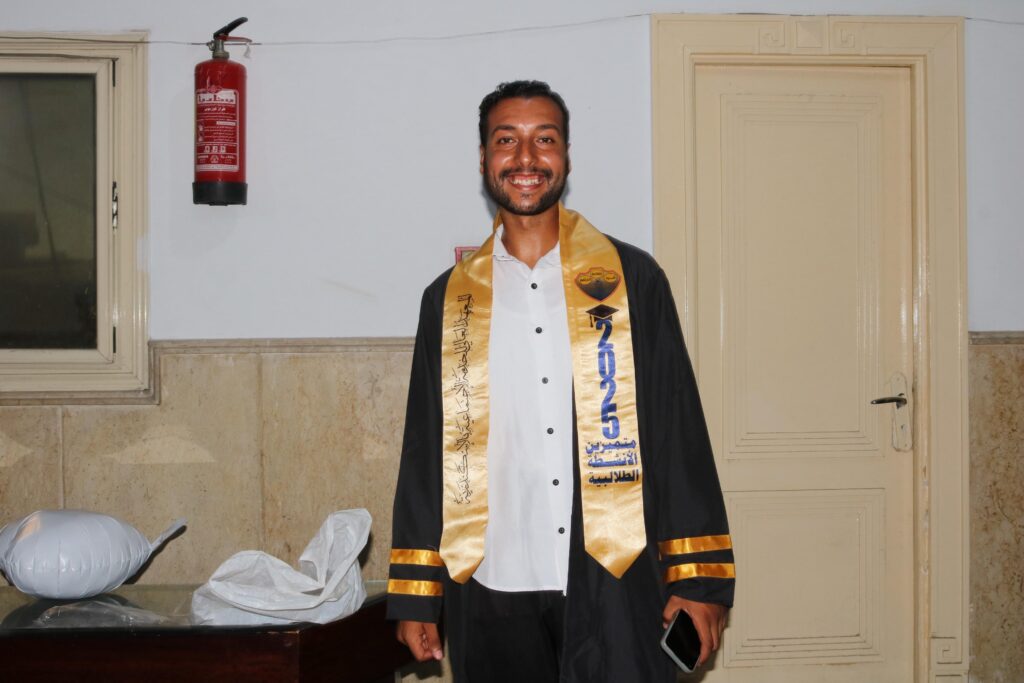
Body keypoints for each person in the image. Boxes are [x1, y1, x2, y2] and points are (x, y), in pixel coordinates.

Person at [387, 80, 734, 683]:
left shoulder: (631, 281)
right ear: (483, 158)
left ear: (566, 156)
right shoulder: (449, 301)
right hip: (491, 580)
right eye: (506, 141)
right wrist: (418, 594)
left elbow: (678, 432)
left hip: (613, 576)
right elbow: (426, 450)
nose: (526, 158)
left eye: (544, 140)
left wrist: (698, 578)